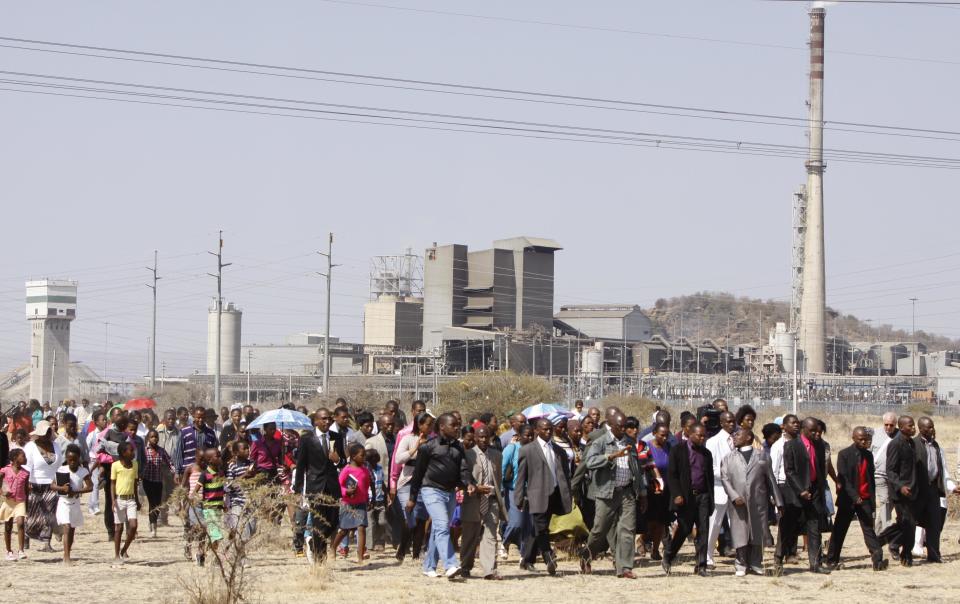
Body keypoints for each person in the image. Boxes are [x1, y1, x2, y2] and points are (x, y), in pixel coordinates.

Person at [578, 413, 648, 579]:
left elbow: (637, 470)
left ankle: (624, 567)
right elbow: (590, 462)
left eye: (626, 426)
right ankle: (586, 555)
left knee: (628, 530)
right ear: (611, 426)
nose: (624, 430)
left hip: (627, 492)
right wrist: (610, 457)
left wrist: (643, 493)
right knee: (599, 529)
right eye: (621, 427)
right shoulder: (601, 442)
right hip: (606, 492)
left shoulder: (630, 442)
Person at [408, 413, 473, 579]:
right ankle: (451, 565)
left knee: (439, 528)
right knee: (443, 525)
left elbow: (464, 470)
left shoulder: (459, 447)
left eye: (458, 425)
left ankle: (429, 566)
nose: (457, 428)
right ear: (442, 427)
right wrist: (412, 498)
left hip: (450, 493)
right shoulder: (427, 447)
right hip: (431, 490)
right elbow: (418, 474)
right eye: (454, 425)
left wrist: (469, 483)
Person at [514, 417, 572, 576]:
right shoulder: (528, 450)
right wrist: (518, 498)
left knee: (539, 528)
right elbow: (521, 477)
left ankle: (527, 560)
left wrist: (568, 493)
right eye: (544, 429)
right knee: (541, 528)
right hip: (536, 495)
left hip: (554, 493)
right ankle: (548, 557)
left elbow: (564, 475)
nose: (548, 432)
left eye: (550, 429)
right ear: (537, 430)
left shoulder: (558, 450)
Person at [721, 429, 782, 576]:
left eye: (738, 435)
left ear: (748, 437)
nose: (734, 437)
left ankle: (756, 562)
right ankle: (741, 563)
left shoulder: (762, 456)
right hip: (738, 503)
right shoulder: (729, 457)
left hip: (758, 501)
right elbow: (725, 479)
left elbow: (771, 480)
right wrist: (734, 496)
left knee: (757, 531)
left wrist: (779, 502)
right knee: (740, 532)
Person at [824, 427, 888, 571]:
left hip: (865, 499)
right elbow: (844, 478)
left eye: (866, 439)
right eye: (860, 439)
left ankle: (877, 559)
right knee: (840, 530)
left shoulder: (868, 455)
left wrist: (871, 500)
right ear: (853, 438)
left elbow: (870, 479)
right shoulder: (844, 454)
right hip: (849, 499)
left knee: (868, 529)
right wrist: (854, 496)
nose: (864, 441)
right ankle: (831, 560)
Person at [775, 417, 830, 575]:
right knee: (787, 527)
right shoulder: (791, 445)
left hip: (814, 492)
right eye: (812, 431)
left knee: (814, 528)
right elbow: (789, 470)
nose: (816, 433)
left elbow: (819, 468)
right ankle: (778, 558)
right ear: (804, 430)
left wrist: (819, 487)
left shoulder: (819, 445)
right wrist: (801, 490)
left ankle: (815, 562)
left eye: (817, 431)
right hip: (794, 493)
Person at [663, 423, 714, 576]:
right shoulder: (678, 450)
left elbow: (709, 477)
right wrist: (677, 494)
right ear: (691, 434)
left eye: (704, 435)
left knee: (703, 530)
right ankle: (669, 555)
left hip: (703, 495)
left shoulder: (706, 453)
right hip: (686, 496)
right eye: (699, 435)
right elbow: (672, 475)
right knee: (684, 529)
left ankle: (701, 565)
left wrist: (710, 498)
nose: (702, 438)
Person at [293, 408, 343, 561]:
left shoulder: (336, 437)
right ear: (316, 421)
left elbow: (344, 461)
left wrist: (338, 460)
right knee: (318, 522)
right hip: (315, 486)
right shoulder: (307, 438)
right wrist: (298, 489)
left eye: (329, 419)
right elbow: (301, 465)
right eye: (323, 419)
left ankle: (313, 542)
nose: (327, 421)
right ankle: (319, 556)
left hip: (332, 486)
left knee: (333, 522)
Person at [460, 425, 505, 580]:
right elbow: (464, 477)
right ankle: (465, 566)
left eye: (486, 436)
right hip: (473, 500)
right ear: (475, 438)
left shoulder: (497, 455)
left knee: (490, 534)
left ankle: (489, 570)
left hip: (491, 500)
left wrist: (495, 494)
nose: (484, 440)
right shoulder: (468, 454)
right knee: (470, 536)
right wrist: (476, 488)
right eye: (480, 437)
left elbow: (498, 478)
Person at [912, 416, 959, 563]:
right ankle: (900, 547)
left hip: (933, 489)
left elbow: (942, 470)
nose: (932, 430)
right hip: (918, 490)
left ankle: (933, 554)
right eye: (929, 427)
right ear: (921, 429)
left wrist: (951, 487)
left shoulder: (936, 446)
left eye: (933, 427)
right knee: (911, 522)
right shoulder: (913, 445)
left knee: (934, 523)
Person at [394, 411, 433, 562]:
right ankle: (402, 548)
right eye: (428, 425)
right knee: (410, 517)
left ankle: (416, 552)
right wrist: (416, 448)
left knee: (422, 518)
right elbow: (398, 459)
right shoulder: (407, 438)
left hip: (424, 483)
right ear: (420, 424)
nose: (430, 428)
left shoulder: (432, 440)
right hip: (407, 483)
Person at [24, 419, 63, 552]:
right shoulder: (31, 446)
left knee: (50, 514)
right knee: (33, 515)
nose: (47, 436)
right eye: (44, 433)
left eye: (48, 432)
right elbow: (26, 466)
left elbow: (59, 465)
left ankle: (47, 542)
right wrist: (27, 482)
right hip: (34, 483)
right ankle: (26, 536)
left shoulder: (56, 446)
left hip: (51, 484)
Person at [705, 411, 736, 569]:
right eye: (728, 421)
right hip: (720, 489)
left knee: (738, 523)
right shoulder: (713, 441)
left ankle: (741, 557)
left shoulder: (737, 439)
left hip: (736, 490)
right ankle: (708, 557)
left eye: (733, 421)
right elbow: (711, 467)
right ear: (722, 423)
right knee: (714, 525)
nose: (732, 424)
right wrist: (728, 475)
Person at [53, 444, 92, 565]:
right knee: (67, 527)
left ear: (79, 458)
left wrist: (76, 491)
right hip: (64, 502)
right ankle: (66, 557)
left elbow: (90, 487)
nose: (72, 462)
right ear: (66, 458)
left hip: (75, 503)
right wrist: (62, 488)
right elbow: (52, 485)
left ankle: (67, 552)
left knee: (72, 530)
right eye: (70, 460)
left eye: (75, 460)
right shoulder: (61, 469)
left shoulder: (83, 471)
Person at [332, 443, 370, 564]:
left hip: (360, 504)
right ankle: (333, 548)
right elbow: (338, 486)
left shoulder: (365, 470)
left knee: (361, 527)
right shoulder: (346, 470)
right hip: (347, 504)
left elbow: (367, 485)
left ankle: (360, 557)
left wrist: (368, 498)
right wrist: (346, 491)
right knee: (344, 530)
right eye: (362, 455)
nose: (364, 458)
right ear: (353, 456)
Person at [501, 424, 534, 560]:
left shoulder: (535, 450)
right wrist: (501, 491)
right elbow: (502, 470)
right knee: (516, 523)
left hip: (531, 492)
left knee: (528, 525)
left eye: (532, 435)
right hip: (513, 490)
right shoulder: (512, 448)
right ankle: (505, 542)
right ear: (519, 436)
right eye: (527, 435)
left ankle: (524, 555)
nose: (530, 438)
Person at [771, 414, 800, 562]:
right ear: (784, 426)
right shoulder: (778, 446)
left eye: (797, 422)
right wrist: (774, 494)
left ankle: (792, 553)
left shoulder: (800, 443)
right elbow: (773, 470)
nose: (796, 425)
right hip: (783, 485)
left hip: (798, 486)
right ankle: (779, 554)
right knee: (784, 522)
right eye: (792, 423)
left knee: (794, 521)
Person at [193, 448, 226, 567]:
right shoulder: (204, 475)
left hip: (218, 508)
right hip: (209, 509)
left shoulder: (221, 473)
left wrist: (224, 505)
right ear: (210, 460)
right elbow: (196, 490)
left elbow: (222, 491)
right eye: (217, 456)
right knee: (217, 535)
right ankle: (215, 558)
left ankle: (202, 554)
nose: (220, 458)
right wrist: (192, 499)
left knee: (213, 535)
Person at [110, 441, 140, 563]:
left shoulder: (135, 464)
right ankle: (117, 554)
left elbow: (135, 482)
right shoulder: (115, 466)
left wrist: (137, 499)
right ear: (123, 453)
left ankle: (125, 548)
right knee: (119, 528)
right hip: (119, 500)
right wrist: (113, 500)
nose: (133, 453)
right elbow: (112, 484)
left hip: (131, 499)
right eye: (130, 450)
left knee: (133, 526)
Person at [142, 428, 175, 538]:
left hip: (158, 480)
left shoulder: (161, 451)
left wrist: (175, 472)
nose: (154, 439)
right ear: (148, 438)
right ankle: (153, 526)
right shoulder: (145, 450)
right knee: (152, 502)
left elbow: (169, 462)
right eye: (152, 437)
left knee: (157, 504)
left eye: (156, 437)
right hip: (147, 480)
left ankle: (153, 522)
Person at [872, 412, 899, 537]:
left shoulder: (900, 436)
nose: (888, 427)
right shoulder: (875, 434)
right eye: (886, 425)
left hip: (894, 476)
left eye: (891, 425)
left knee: (889, 505)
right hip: (878, 475)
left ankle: (875, 536)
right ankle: (889, 531)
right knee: (885, 501)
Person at [1, 448, 30, 561]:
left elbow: (26, 490)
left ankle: (21, 550)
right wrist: (3, 492)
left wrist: (26, 505)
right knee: (8, 526)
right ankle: (8, 551)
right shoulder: (5, 470)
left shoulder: (25, 473)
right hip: (8, 502)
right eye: (22, 456)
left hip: (20, 502)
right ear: (15, 458)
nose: (25, 458)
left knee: (21, 523)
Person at [363, 448, 389, 552]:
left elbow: (382, 483)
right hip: (369, 500)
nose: (374, 461)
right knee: (370, 524)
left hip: (380, 499)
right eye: (371, 459)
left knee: (382, 522)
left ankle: (380, 542)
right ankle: (369, 545)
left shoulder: (379, 468)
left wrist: (386, 494)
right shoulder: (365, 470)